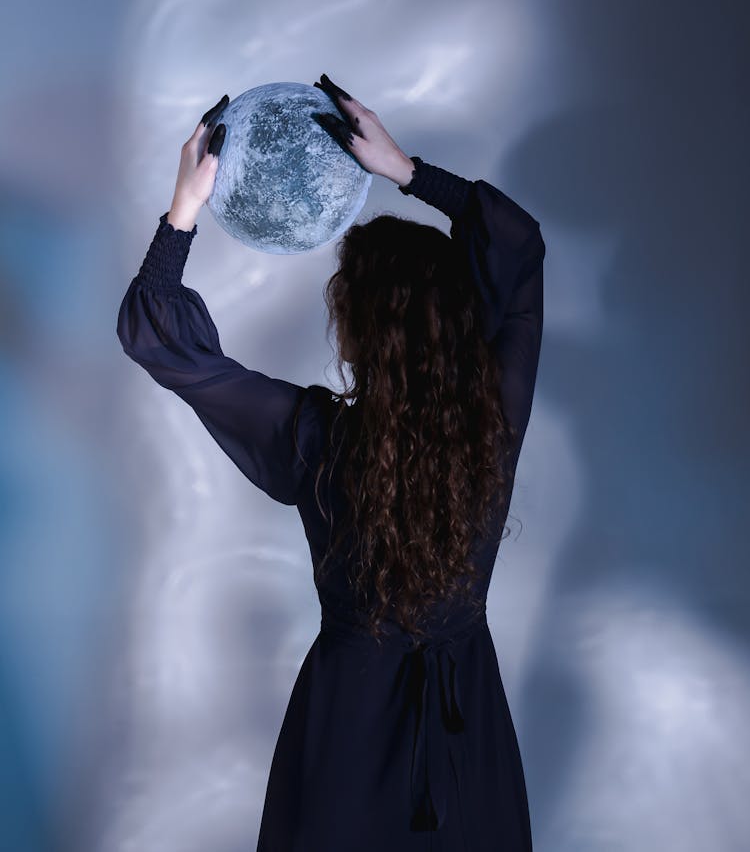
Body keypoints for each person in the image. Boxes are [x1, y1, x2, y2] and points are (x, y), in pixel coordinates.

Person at [116, 73, 545, 851]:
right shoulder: (496, 417)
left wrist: (183, 210)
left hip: (344, 722)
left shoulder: (315, 439)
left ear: (355, 331)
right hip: (467, 726)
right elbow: (520, 250)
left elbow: (156, 336)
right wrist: (407, 171)